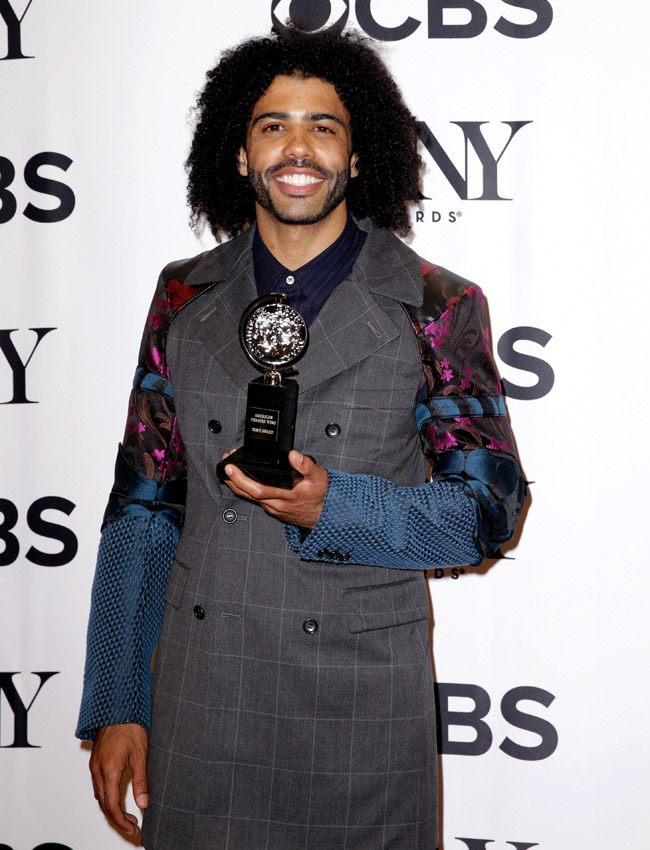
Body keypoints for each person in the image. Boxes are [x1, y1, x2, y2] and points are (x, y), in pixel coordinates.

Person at [76, 25, 526, 850]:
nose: (298, 146)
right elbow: (142, 506)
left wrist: (334, 507)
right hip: (201, 699)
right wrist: (115, 700)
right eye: (272, 124)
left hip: (356, 714)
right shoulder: (182, 294)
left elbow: (485, 512)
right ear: (240, 153)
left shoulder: (437, 303)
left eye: (324, 125)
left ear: (358, 158)